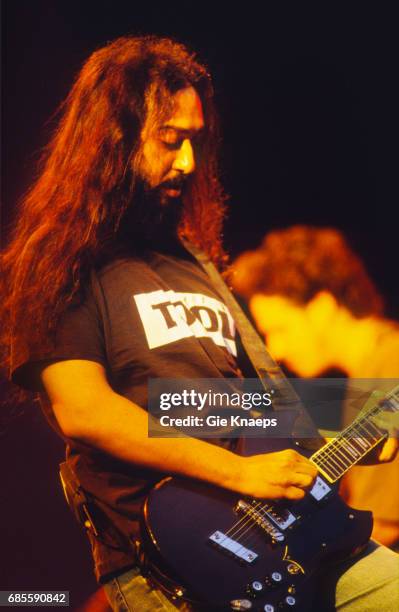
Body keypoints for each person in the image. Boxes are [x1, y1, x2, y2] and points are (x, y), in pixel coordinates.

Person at [1, 37, 398, 611]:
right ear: (111, 138)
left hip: (286, 535)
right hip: (169, 556)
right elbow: (84, 410)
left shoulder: (196, 263)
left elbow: (222, 404)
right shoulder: (64, 260)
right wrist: (239, 474)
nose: (188, 162)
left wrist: (359, 412)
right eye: (170, 140)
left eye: (194, 140)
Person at [232, 225, 399, 549]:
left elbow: (384, 525)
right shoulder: (373, 367)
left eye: (280, 329)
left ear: (322, 307)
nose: (276, 350)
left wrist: (274, 562)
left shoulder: (387, 370)